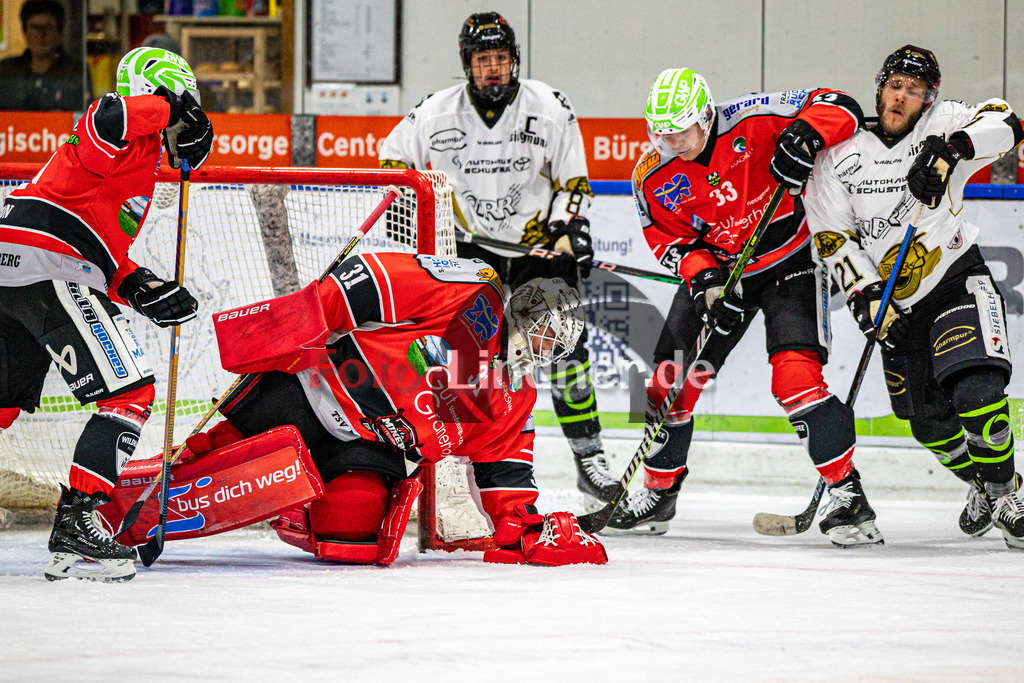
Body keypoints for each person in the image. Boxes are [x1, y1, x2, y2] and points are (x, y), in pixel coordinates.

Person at [103, 253, 609, 567]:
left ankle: (296, 499)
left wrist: (523, 525)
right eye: (541, 331)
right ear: (520, 309)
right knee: (211, 464)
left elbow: (504, 471)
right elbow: (373, 276)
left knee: (353, 539)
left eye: (553, 347)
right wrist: (306, 316)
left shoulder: (512, 400)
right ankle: (105, 505)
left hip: (367, 445)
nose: (541, 348)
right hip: (307, 389)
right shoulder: (469, 296)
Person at [616, 67, 880, 546]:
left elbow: (842, 105)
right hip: (723, 275)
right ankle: (659, 492)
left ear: (706, 116)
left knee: (796, 379)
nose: (673, 143)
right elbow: (669, 239)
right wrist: (706, 283)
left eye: (682, 132)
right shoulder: (650, 175)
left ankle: (848, 496)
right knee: (665, 382)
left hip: (789, 262)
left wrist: (805, 133)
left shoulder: (756, 118)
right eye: (663, 134)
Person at [378, 12, 616, 511]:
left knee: (565, 350)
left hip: (535, 248)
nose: (492, 69)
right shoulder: (434, 112)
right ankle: (456, 463)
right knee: (464, 358)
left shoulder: (549, 106)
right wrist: (414, 211)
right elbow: (392, 163)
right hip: (467, 251)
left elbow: (571, 181)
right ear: (467, 64)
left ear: (515, 62)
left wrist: (570, 229)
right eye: (483, 60)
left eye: (501, 59)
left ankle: (589, 457)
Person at [0, 46, 213, 581]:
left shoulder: (140, 163)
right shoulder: (120, 122)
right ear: (162, 88)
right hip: (45, 264)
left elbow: (100, 253)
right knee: (130, 393)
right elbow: (108, 117)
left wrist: (143, 289)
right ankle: (77, 531)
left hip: (20, 265)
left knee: (2, 402)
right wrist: (175, 107)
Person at [804, 46, 1024, 549]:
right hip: (894, 305)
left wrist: (955, 150)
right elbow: (832, 233)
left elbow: (1010, 122)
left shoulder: (943, 124)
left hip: (953, 279)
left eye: (915, 89)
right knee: (926, 423)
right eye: (895, 85)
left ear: (929, 99)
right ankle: (980, 484)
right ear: (880, 87)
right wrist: (863, 296)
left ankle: (1007, 491)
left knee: (976, 391)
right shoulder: (840, 153)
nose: (902, 96)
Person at [0, 0, 88, 111]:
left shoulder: (75, 71)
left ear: (59, 33)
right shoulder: (7, 70)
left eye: (48, 27)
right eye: (34, 28)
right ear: (25, 31)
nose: (41, 35)